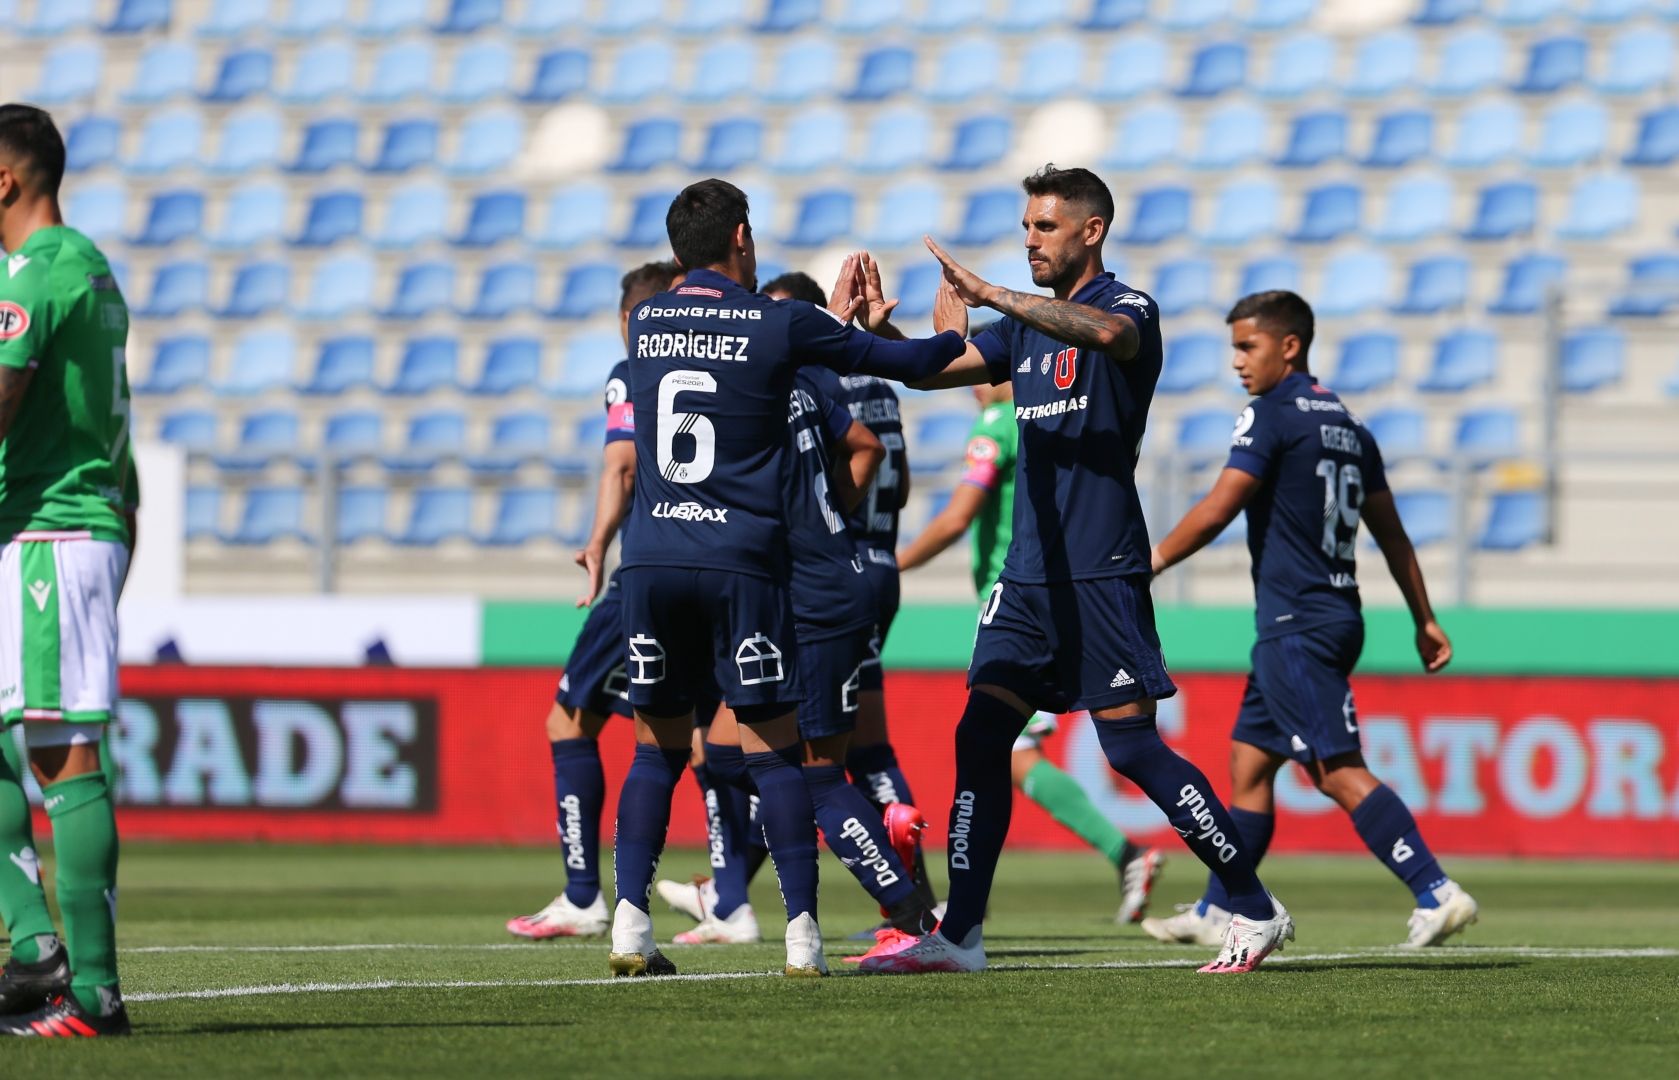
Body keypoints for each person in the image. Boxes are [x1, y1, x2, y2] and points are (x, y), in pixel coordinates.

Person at [857, 164, 1292, 976]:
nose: (1031, 240)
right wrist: (877, 337)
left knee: (1130, 751)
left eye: (1045, 227)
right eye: (1026, 227)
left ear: (1091, 230)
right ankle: (963, 934)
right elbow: (930, 368)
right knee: (979, 736)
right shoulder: (1019, 330)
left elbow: (1101, 338)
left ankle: (1254, 906)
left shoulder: (1128, 309)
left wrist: (989, 293)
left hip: (1101, 569)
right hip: (1025, 579)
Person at [608, 180, 967, 978]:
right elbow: (895, 363)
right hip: (743, 563)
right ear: (742, 236)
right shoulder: (778, 321)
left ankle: (629, 924)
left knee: (654, 752)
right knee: (779, 756)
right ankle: (802, 936)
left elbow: (723, 370)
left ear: (676, 252)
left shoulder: (647, 321)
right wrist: (950, 336)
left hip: (652, 559)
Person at [1142, 290, 1478, 949]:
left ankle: (1434, 889)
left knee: (1333, 768)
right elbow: (1393, 534)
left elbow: (1218, 507)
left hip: (1296, 623)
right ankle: (1220, 905)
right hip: (1330, 614)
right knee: (1249, 765)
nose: (1236, 361)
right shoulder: (1350, 426)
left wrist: (1147, 562)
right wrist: (1424, 618)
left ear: (1288, 346)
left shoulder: (1269, 416)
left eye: (1247, 346)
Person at [658, 272, 938, 951]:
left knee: (810, 769)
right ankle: (740, 893)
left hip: (811, 588)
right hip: (856, 567)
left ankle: (910, 913)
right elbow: (872, 454)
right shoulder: (835, 381)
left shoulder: (775, 386)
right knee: (747, 751)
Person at [505, 261, 776, 942]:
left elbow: (622, 462)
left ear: (633, 317)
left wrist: (597, 541)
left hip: (646, 577)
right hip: (727, 568)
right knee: (707, 740)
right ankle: (732, 896)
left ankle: (583, 896)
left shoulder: (633, 369)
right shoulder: (738, 365)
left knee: (572, 725)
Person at [897, 377, 1164, 925]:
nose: (971, 387)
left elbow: (957, 515)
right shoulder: (1043, 419)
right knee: (1011, 754)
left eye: (978, 374)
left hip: (1015, 605)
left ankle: (1120, 855)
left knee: (1002, 751)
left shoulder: (997, 423)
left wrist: (891, 565)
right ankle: (976, 896)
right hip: (1052, 592)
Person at [0, 104, 136, 1037]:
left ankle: (91, 991)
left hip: (55, 531)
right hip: (48, 527)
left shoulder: (38, 271)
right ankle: (30, 948)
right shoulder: (86, 262)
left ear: (4, 182)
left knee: (62, 753)